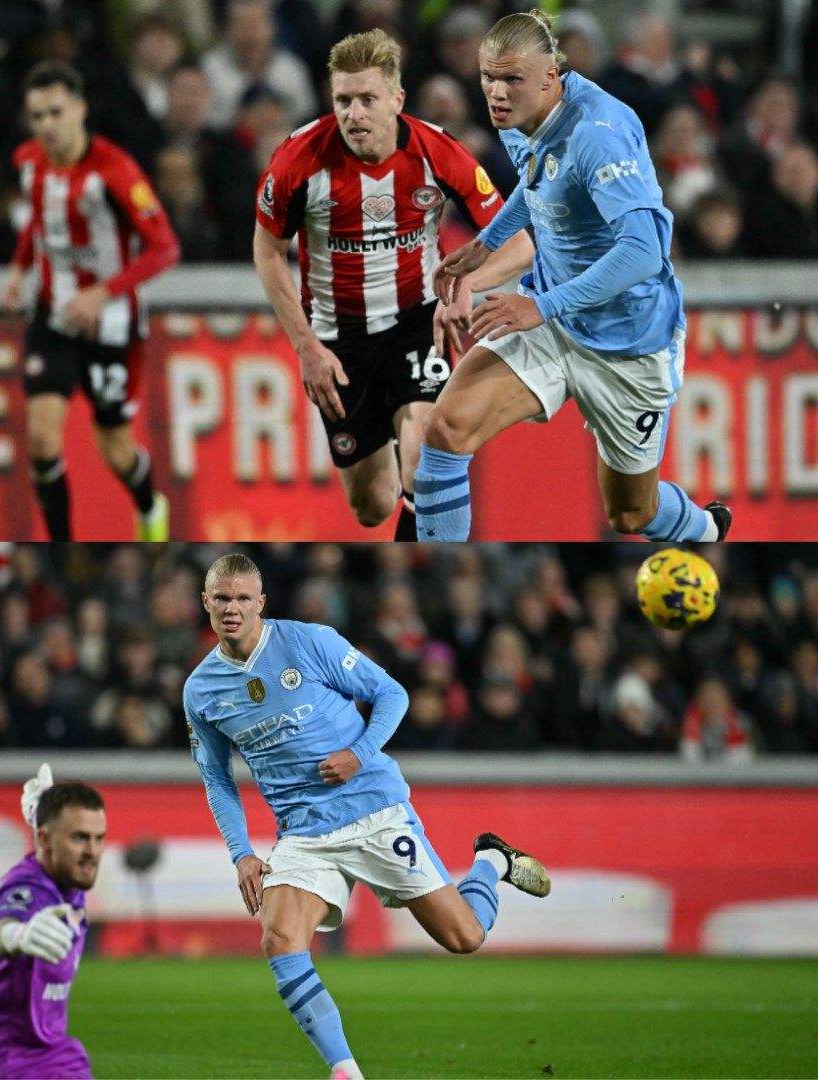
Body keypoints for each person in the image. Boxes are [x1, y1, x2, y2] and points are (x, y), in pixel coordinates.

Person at [184, 553, 550, 1079]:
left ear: (261, 602)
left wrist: (358, 754)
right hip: (303, 832)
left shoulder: (309, 642)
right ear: (206, 602)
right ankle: (346, 1071)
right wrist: (241, 853)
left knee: (464, 938)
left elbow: (391, 694)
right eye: (222, 598)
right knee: (280, 938)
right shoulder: (201, 690)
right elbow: (217, 779)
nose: (232, 608)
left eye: (243, 598)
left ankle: (491, 861)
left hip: (373, 810)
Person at [422, 10, 730, 543]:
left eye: (511, 79)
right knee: (447, 429)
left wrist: (540, 306)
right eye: (488, 77)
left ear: (551, 76)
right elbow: (541, 182)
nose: (496, 92)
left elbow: (645, 252)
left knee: (630, 514)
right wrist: (486, 243)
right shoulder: (520, 116)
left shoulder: (597, 135)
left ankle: (706, 527)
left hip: (627, 342)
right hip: (553, 320)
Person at [253, 31, 508, 539]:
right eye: (343, 100)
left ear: (396, 99)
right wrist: (306, 347)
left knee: (424, 449)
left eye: (367, 99)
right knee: (370, 506)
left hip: (417, 321)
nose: (354, 114)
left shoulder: (438, 151)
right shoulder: (297, 160)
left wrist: (465, 283)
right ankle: (388, 443)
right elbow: (268, 252)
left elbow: (514, 240)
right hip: (337, 339)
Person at [1, 61, 179, 542]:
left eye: (56, 112)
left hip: (111, 325)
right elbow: (41, 222)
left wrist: (102, 293)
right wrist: (19, 269)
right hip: (52, 316)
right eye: (37, 116)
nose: (47, 126)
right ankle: (61, 542)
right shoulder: (28, 162)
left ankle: (150, 507)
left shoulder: (115, 170)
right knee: (42, 440)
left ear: (80, 109)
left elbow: (165, 248)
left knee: (116, 451)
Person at [0, 765, 105, 1080]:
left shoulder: (69, 877)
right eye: (80, 838)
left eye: (99, 838)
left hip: (54, 1051)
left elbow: (53, 843)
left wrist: (44, 817)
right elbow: (0, 930)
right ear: (45, 840)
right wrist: (19, 935)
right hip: (7, 1060)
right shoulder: (28, 890)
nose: (92, 852)